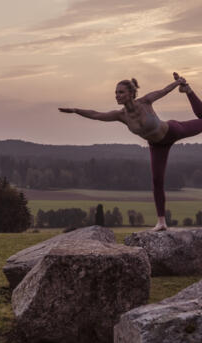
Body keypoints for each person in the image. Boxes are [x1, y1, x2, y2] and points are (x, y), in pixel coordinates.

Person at [59, 73, 202, 231]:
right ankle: (161, 222)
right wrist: (75, 110)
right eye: (116, 92)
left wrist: (178, 83)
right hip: (157, 146)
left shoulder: (146, 101)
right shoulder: (121, 115)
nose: (117, 95)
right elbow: (97, 114)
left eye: (121, 92)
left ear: (131, 93)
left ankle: (188, 90)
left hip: (173, 131)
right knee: (157, 180)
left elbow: (164, 90)